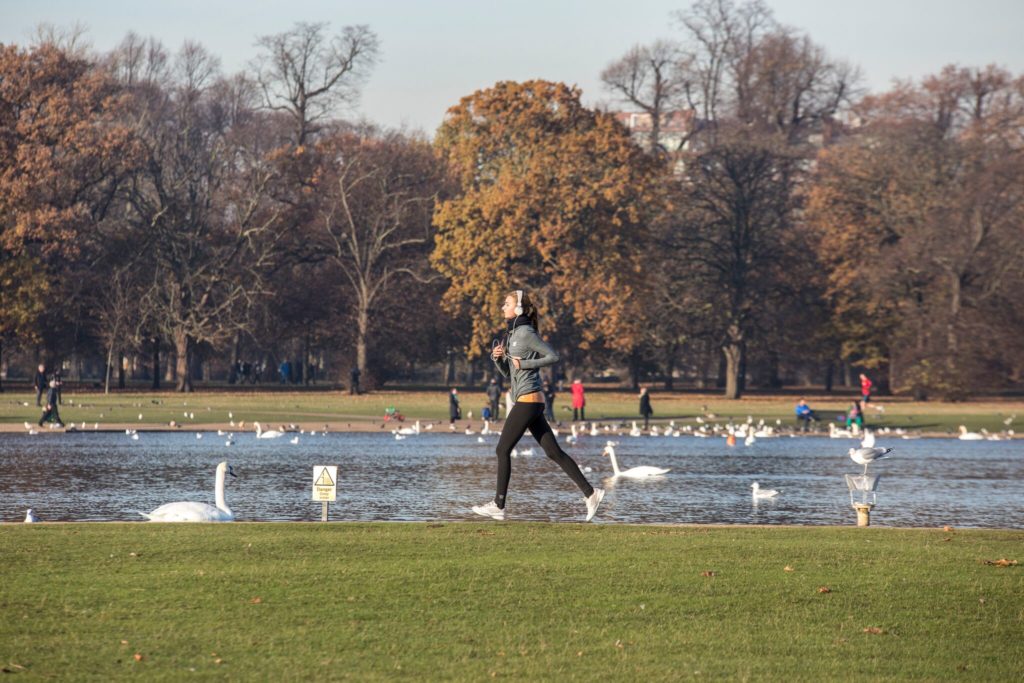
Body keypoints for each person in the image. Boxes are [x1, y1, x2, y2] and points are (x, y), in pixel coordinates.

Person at [472, 289, 603, 522]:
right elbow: (510, 373)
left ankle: (498, 505)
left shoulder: (526, 333)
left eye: (506, 303)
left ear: (518, 308)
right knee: (553, 452)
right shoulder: (512, 334)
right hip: (528, 400)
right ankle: (591, 493)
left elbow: (553, 356)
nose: (502, 307)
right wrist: (498, 359)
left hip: (528, 400)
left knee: (502, 449)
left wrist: (525, 363)